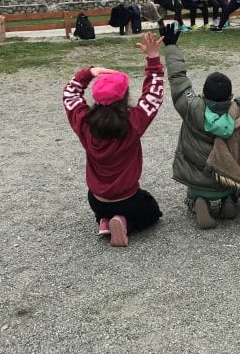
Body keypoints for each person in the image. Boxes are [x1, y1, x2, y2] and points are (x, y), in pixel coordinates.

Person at [62, 32, 165, 247]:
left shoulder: (84, 123)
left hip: (97, 200)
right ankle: (124, 223)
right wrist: (153, 59)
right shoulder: (133, 123)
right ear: (125, 96)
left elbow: (70, 94)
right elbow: (153, 95)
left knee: (108, 207)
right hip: (128, 199)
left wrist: (88, 73)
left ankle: (105, 220)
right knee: (152, 211)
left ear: (96, 98)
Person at [161, 24, 240, 229]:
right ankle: (229, 200)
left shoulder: (192, 106)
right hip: (227, 177)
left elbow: (179, 80)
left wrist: (171, 46)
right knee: (229, 181)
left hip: (198, 178)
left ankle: (198, 200)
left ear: (203, 94)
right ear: (231, 95)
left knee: (197, 186)